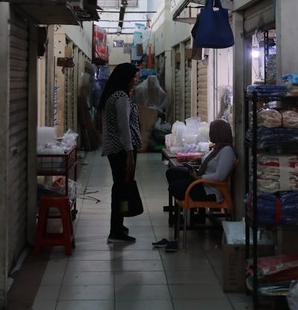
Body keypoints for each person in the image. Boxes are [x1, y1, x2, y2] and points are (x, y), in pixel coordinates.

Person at [157, 119, 237, 252]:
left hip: (210, 189)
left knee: (175, 187)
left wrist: (199, 177)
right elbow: (209, 164)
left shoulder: (227, 151)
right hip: (202, 181)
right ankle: (182, 209)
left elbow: (219, 176)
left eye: (212, 131)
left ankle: (185, 205)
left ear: (219, 133)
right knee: (172, 173)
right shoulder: (217, 147)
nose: (210, 134)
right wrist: (197, 163)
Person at [97, 62, 142, 244]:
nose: (135, 81)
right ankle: (115, 230)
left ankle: (119, 225)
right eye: (133, 77)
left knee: (121, 188)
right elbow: (124, 128)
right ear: (126, 78)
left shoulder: (111, 95)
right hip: (122, 151)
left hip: (115, 150)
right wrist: (130, 154)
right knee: (121, 190)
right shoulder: (121, 97)